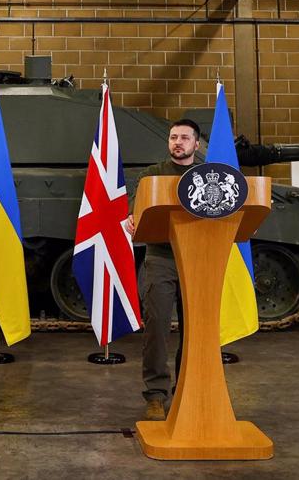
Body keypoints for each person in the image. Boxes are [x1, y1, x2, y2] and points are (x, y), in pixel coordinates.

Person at [125, 118, 201, 422]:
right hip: (161, 258)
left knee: (196, 330)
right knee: (157, 327)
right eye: (173, 137)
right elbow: (137, 207)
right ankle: (156, 395)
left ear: (197, 143)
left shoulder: (208, 176)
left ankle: (189, 388)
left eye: (184, 137)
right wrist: (133, 216)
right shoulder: (152, 175)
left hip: (200, 260)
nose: (178, 142)